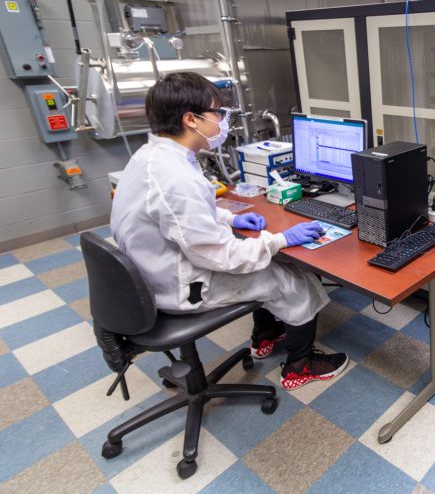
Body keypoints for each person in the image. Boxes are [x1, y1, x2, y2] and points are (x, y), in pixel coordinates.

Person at [110, 72, 348, 391]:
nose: (222, 121)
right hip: (180, 286)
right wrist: (279, 239)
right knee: (296, 280)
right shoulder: (175, 178)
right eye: (217, 113)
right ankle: (299, 366)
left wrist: (230, 220)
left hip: (152, 272)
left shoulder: (154, 157)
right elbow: (222, 256)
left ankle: (265, 336)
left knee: (267, 261)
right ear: (191, 119)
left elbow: (177, 217)